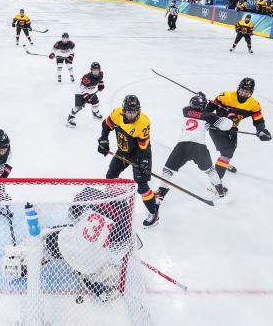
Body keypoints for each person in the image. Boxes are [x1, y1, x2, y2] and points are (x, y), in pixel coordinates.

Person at [3, 182, 135, 302]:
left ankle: (23, 264)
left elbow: (72, 215)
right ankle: (92, 280)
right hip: (92, 262)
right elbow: (118, 246)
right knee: (95, 257)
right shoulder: (125, 216)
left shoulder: (93, 194)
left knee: (48, 238)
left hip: (67, 248)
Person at [156, 93, 231, 202]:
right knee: (210, 170)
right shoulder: (209, 116)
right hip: (199, 147)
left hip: (182, 146)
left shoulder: (186, 111)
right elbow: (226, 125)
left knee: (168, 170)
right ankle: (220, 190)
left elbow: (196, 113)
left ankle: (161, 192)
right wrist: (223, 116)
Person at [97, 95, 159, 227]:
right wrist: (103, 139)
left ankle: (154, 213)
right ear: (124, 110)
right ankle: (112, 203)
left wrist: (143, 162)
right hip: (123, 150)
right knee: (110, 176)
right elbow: (106, 124)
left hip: (140, 153)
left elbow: (143, 146)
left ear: (138, 111)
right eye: (129, 112)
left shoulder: (143, 122)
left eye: (134, 112)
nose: (131, 115)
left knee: (141, 186)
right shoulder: (117, 113)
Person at [205, 78, 271, 182]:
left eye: (246, 91)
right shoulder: (226, 96)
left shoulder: (253, 104)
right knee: (227, 153)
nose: (243, 93)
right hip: (217, 127)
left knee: (230, 150)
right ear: (238, 88)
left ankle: (223, 163)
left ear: (251, 93)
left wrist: (261, 130)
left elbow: (258, 119)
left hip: (232, 129)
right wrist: (206, 119)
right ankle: (216, 183)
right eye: (241, 90)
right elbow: (208, 109)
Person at [66, 62, 104, 128]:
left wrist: (101, 84)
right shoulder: (87, 78)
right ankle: (70, 118)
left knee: (96, 103)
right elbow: (81, 88)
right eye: (94, 70)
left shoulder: (100, 74)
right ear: (91, 70)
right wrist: (86, 96)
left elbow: (100, 80)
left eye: (97, 70)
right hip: (80, 91)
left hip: (90, 90)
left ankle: (95, 113)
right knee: (79, 107)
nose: (95, 72)